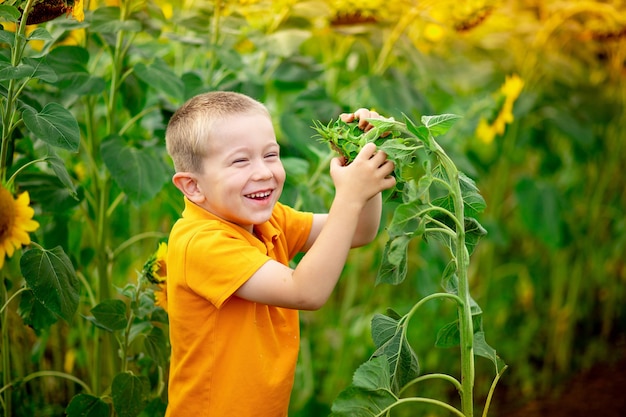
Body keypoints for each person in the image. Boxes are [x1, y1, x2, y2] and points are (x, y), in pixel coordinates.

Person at [163, 91, 396, 416]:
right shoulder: (199, 242)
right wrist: (349, 196)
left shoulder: (269, 221)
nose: (263, 172)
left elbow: (359, 231)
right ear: (193, 186)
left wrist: (358, 157)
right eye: (240, 161)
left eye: (271, 155)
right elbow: (306, 292)